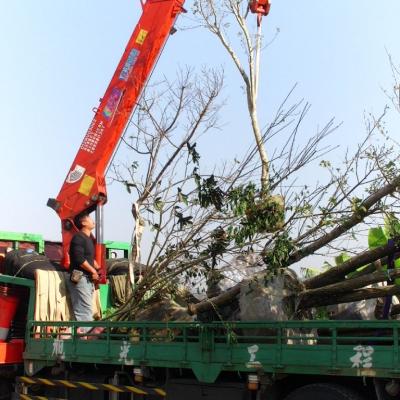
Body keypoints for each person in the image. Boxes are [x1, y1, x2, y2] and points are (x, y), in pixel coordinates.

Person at [67, 212, 100, 333]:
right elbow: (79, 259)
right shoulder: (78, 237)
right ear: (83, 222)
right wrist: (92, 270)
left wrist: (96, 266)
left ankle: (84, 335)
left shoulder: (88, 239)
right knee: (84, 310)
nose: (93, 221)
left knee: (87, 309)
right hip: (80, 277)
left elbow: (87, 258)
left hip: (86, 279)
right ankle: (86, 341)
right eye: (90, 218)